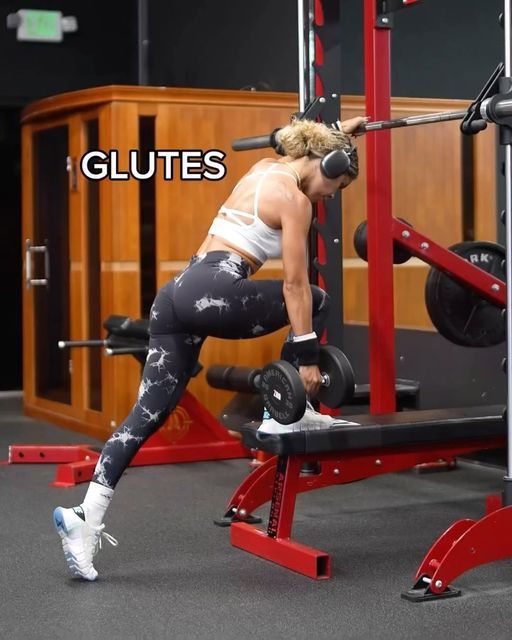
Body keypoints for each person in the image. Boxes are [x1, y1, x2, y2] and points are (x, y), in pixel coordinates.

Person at [53, 116, 367, 581]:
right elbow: (295, 285)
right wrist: (305, 360)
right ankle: (284, 413)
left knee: (148, 414)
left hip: (176, 295)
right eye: (335, 184)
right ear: (329, 161)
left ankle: (86, 516)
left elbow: (296, 139)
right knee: (315, 300)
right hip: (212, 292)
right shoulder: (295, 200)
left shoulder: (266, 165)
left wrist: (344, 127)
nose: (330, 195)